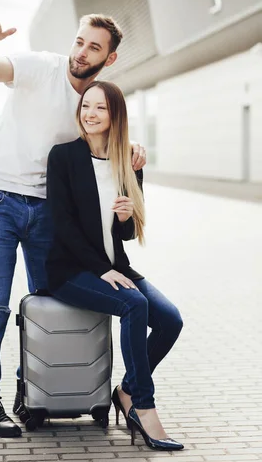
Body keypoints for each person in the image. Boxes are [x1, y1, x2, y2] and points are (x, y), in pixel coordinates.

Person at [0, 15, 147, 437]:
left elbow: (105, 133)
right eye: (79, 41)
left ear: (110, 57)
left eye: (94, 47)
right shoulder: (40, 66)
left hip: (47, 208)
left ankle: (34, 392)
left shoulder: (94, 98)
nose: (81, 52)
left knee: (51, 305)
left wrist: (133, 146)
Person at [45, 81, 184, 451]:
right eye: (86, 106)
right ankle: (144, 406)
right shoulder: (62, 157)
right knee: (133, 304)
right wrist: (99, 268)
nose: (90, 114)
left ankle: (126, 390)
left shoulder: (128, 161)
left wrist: (125, 216)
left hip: (114, 265)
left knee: (171, 319)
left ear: (115, 116)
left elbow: (123, 232)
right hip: (70, 271)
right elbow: (63, 224)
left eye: (100, 108)